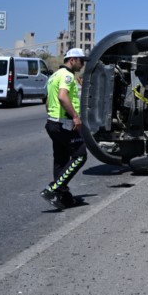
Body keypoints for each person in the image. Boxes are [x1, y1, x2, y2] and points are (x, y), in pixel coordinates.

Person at [41, 48, 88, 209]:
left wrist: (53, 118)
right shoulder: (67, 75)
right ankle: (53, 188)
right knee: (80, 155)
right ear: (72, 60)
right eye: (81, 61)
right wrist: (75, 116)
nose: (82, 64)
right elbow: (62, 96)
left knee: (61, 160)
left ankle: (62, 196)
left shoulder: (54, 75)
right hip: (63, 124)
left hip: (53, 123)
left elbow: (48, 102)